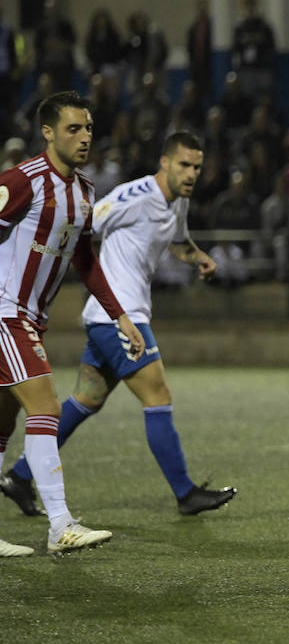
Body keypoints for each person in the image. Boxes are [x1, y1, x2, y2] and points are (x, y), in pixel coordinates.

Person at [3, 131, 235, 517]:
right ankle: (185, 493)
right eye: (184, 165)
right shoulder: (137, 196)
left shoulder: (177, 200)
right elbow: (86, 221)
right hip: (120, 317)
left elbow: (177, 241)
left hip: (110, 318)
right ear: (165, 162)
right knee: (157, 394)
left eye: (196, 166)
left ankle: (19, 476)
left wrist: (198, 258)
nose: (191, 173)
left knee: (85, 401)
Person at [0, 92, 146, 556]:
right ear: (47, 132)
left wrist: (120, 314)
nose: (84, 137)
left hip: (30, 319)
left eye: (88, 129)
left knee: (3, 426)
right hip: (6, 314)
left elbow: (85, 260)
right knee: (47, 408)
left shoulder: (83, 191)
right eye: (73, 129)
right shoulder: (22, 181)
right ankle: (60, 525)